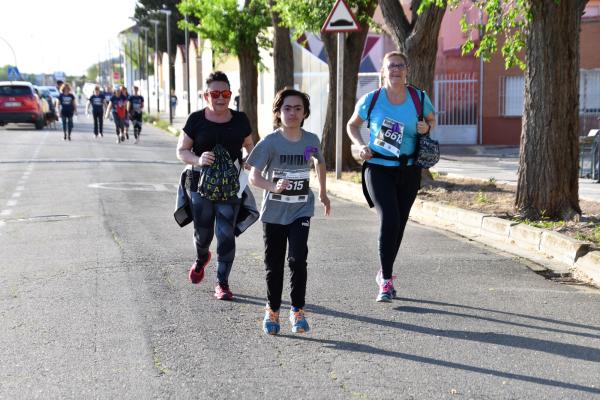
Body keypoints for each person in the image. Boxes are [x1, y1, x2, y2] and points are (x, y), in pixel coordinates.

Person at [346, 51, 436, 302]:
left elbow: (431, 119)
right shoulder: (372, 99)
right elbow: (351, 125)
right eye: (390, 66)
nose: (395, 70)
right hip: (377, 167)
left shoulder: (419, 97)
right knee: (390, 218)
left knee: (400, 223)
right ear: (383, 71)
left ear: (407, 69)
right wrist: (360, 145)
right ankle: (385, 280)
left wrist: (426, 127)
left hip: (408, 169)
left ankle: (384, 271)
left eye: (400, 65)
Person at [247, 88, 330, 335]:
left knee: (297, 260)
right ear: (278, 112)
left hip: (300, 209)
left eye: (298, 108)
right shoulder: (270, 142)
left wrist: (323, 193)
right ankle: (272, 310)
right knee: (274, 264)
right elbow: (254, 176)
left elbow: (318, 162)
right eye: (287, 108)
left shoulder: (311, 140)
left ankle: (297, 310)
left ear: (305, 113)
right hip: (273, 212)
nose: (292, 113)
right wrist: (273, 186)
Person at [176, 71, 254, 300]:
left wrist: (248, 159)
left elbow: (251, 146)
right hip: (200, 186)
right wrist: (198, 159)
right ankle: (201, 259)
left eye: (226, 93)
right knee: (203, 233)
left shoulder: (240, 120)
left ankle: (222, 283)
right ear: (205, 95)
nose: (221, 98)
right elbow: (181, 151)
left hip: (230, 188)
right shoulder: (196, 119)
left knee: (225, 234)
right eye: (215, 93)